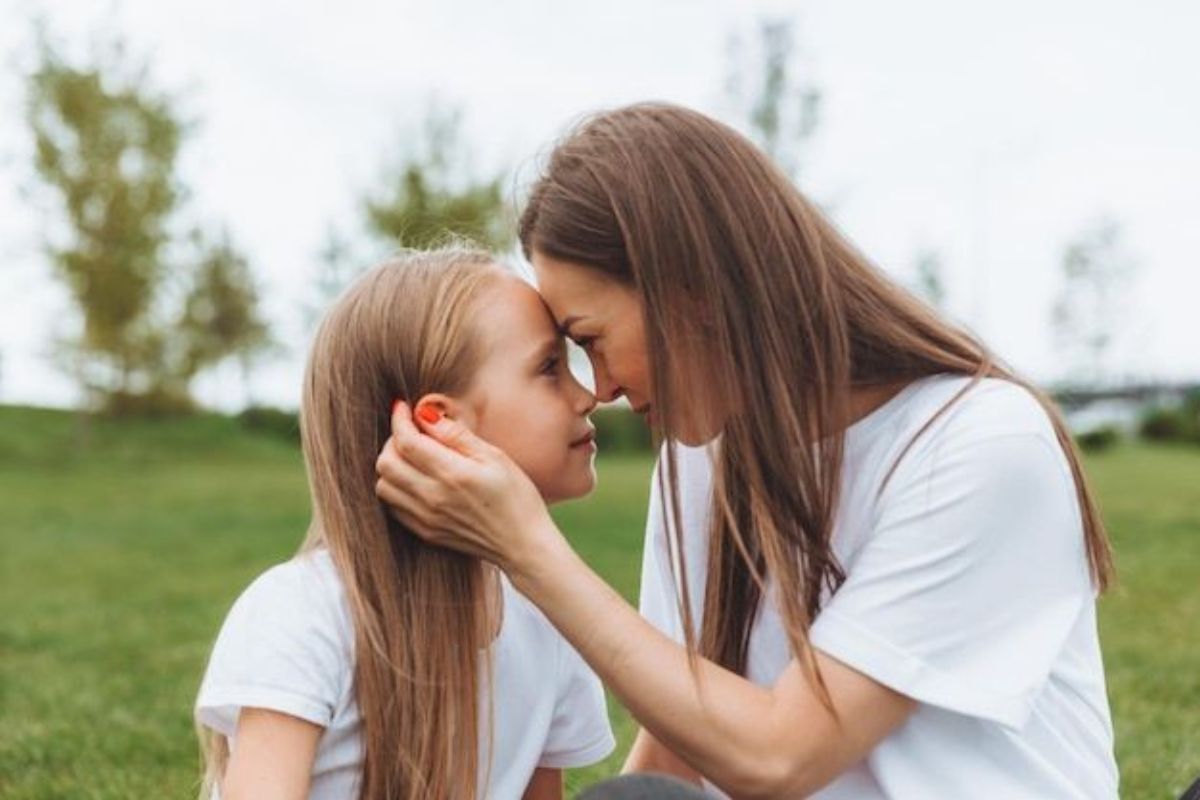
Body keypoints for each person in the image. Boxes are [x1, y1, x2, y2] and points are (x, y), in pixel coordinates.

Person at [374, 104, 1120, 798]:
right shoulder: (699, 457)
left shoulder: (978, 443)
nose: (598, 387)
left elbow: (780, 755)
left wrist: (528, 551)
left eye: (592, 340)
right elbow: (678, 746)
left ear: (690, 290)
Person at [195, 248, 614, 800]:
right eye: (548, 368)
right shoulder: (305, 612)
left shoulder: (546, 618)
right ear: (438, 424)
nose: (587, 396)